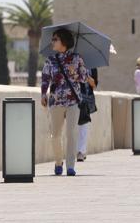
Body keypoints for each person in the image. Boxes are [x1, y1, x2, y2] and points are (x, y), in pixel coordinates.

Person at [41, 28, 88, 176]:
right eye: (53, 39)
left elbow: (84, 78)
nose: (52, 42)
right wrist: (43, 93)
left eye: (55, 39)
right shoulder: (50, 60)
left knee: (71, 133)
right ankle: (58, 161)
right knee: (55, 135)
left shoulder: (77, 58)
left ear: (64, 41)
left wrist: (76, 72)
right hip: (55, 101)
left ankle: (70, 166)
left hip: (73, 100)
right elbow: (45, 78)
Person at [77, 68, 97, 162]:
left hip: (86, 99)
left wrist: (87, 77)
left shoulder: (92, 67)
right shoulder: (73, 62)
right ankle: (77, 150)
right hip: (74, 98)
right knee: (73, 126)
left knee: (83, 124)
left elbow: (94, 85)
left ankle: (81, 151)